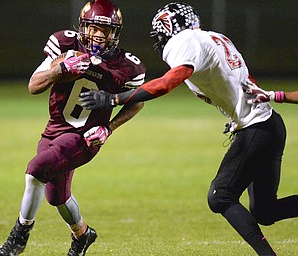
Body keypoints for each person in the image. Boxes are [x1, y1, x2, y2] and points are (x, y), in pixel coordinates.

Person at [79, 2, 298, 255]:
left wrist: (114, 99)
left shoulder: (185, 40)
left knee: (220, 196)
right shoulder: (217, 38)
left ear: (169, 27)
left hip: (255, 129)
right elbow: (239, 82)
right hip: (270, 125)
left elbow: (167, 83)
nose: (160, 41)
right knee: (265, 211)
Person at [0, 0, 146, 255]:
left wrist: (109, 127)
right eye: (94, 28)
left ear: (115, 34)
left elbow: (137, 103)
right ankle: (83, 235)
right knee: (57, 197)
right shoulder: (65, 45)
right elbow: (34, 86)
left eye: (105, 30)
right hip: (54, 129)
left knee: (35, 171)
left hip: (85, 137)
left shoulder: (126, 66)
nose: (98, 35)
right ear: (83, 27)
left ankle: (18, 238)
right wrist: (60, 69)